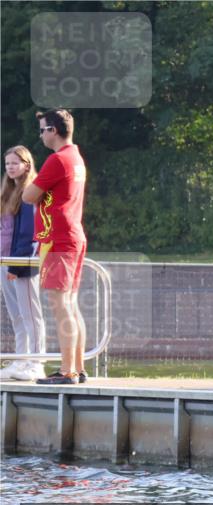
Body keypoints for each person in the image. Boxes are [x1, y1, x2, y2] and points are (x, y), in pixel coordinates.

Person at [22, 109, 87, 385]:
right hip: (72, 235)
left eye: (42, 129)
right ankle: (78, 368)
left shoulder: (57, 160)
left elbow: (28, 195)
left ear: (54, 131)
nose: (41, 135)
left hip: (58, 239)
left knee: (60, 305)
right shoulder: (76, 157)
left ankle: (67, 371)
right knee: (70, 304)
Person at [0, 146, 46, 381]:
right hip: (4, 262)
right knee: (16, 316)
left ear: (26, 165)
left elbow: (29, 233)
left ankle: (36, 363)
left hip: (22, 263)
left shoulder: (30, 192)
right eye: (7, 163)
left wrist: (17, 267)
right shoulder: (7, 191)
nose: (10, 167)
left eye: (15, 163)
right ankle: (21, 360)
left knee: (31, 315)